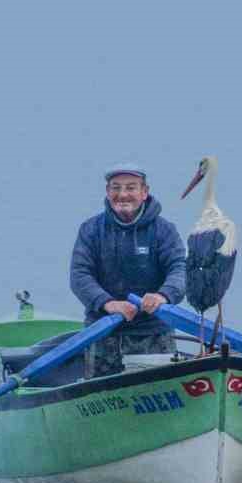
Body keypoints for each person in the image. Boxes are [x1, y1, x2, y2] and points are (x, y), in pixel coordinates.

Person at [69, 162, 187, 378]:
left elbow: (180, 270)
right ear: (107, 192)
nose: (122, 194)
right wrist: (108, 303)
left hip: (154, 335)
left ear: (144, 192)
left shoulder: (165, 230)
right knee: (101, 402)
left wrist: (163, 295)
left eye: (131, 187)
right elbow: (79, 275)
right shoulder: (90, 230)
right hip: (102, 334)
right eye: (116, 188)